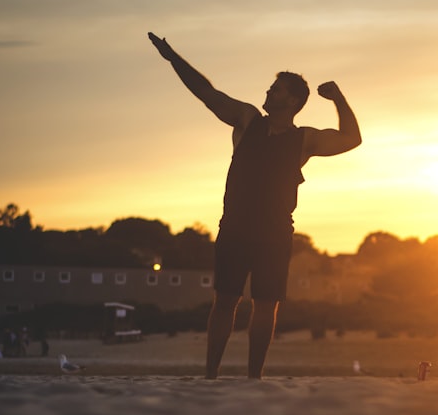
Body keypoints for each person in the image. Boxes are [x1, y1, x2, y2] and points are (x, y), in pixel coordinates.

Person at [148, 32, 362, 379]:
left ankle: (254, 378)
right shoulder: (248, 120)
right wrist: (172, 57)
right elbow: (207, 93)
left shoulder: (304, 138)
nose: (267, 92)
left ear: (292, 101)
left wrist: (338, 97)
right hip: (234, 227)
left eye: (276, 89)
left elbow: (351, 139)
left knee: (266, 305)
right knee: (225, 302)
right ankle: (211, 375)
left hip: (275, 234)